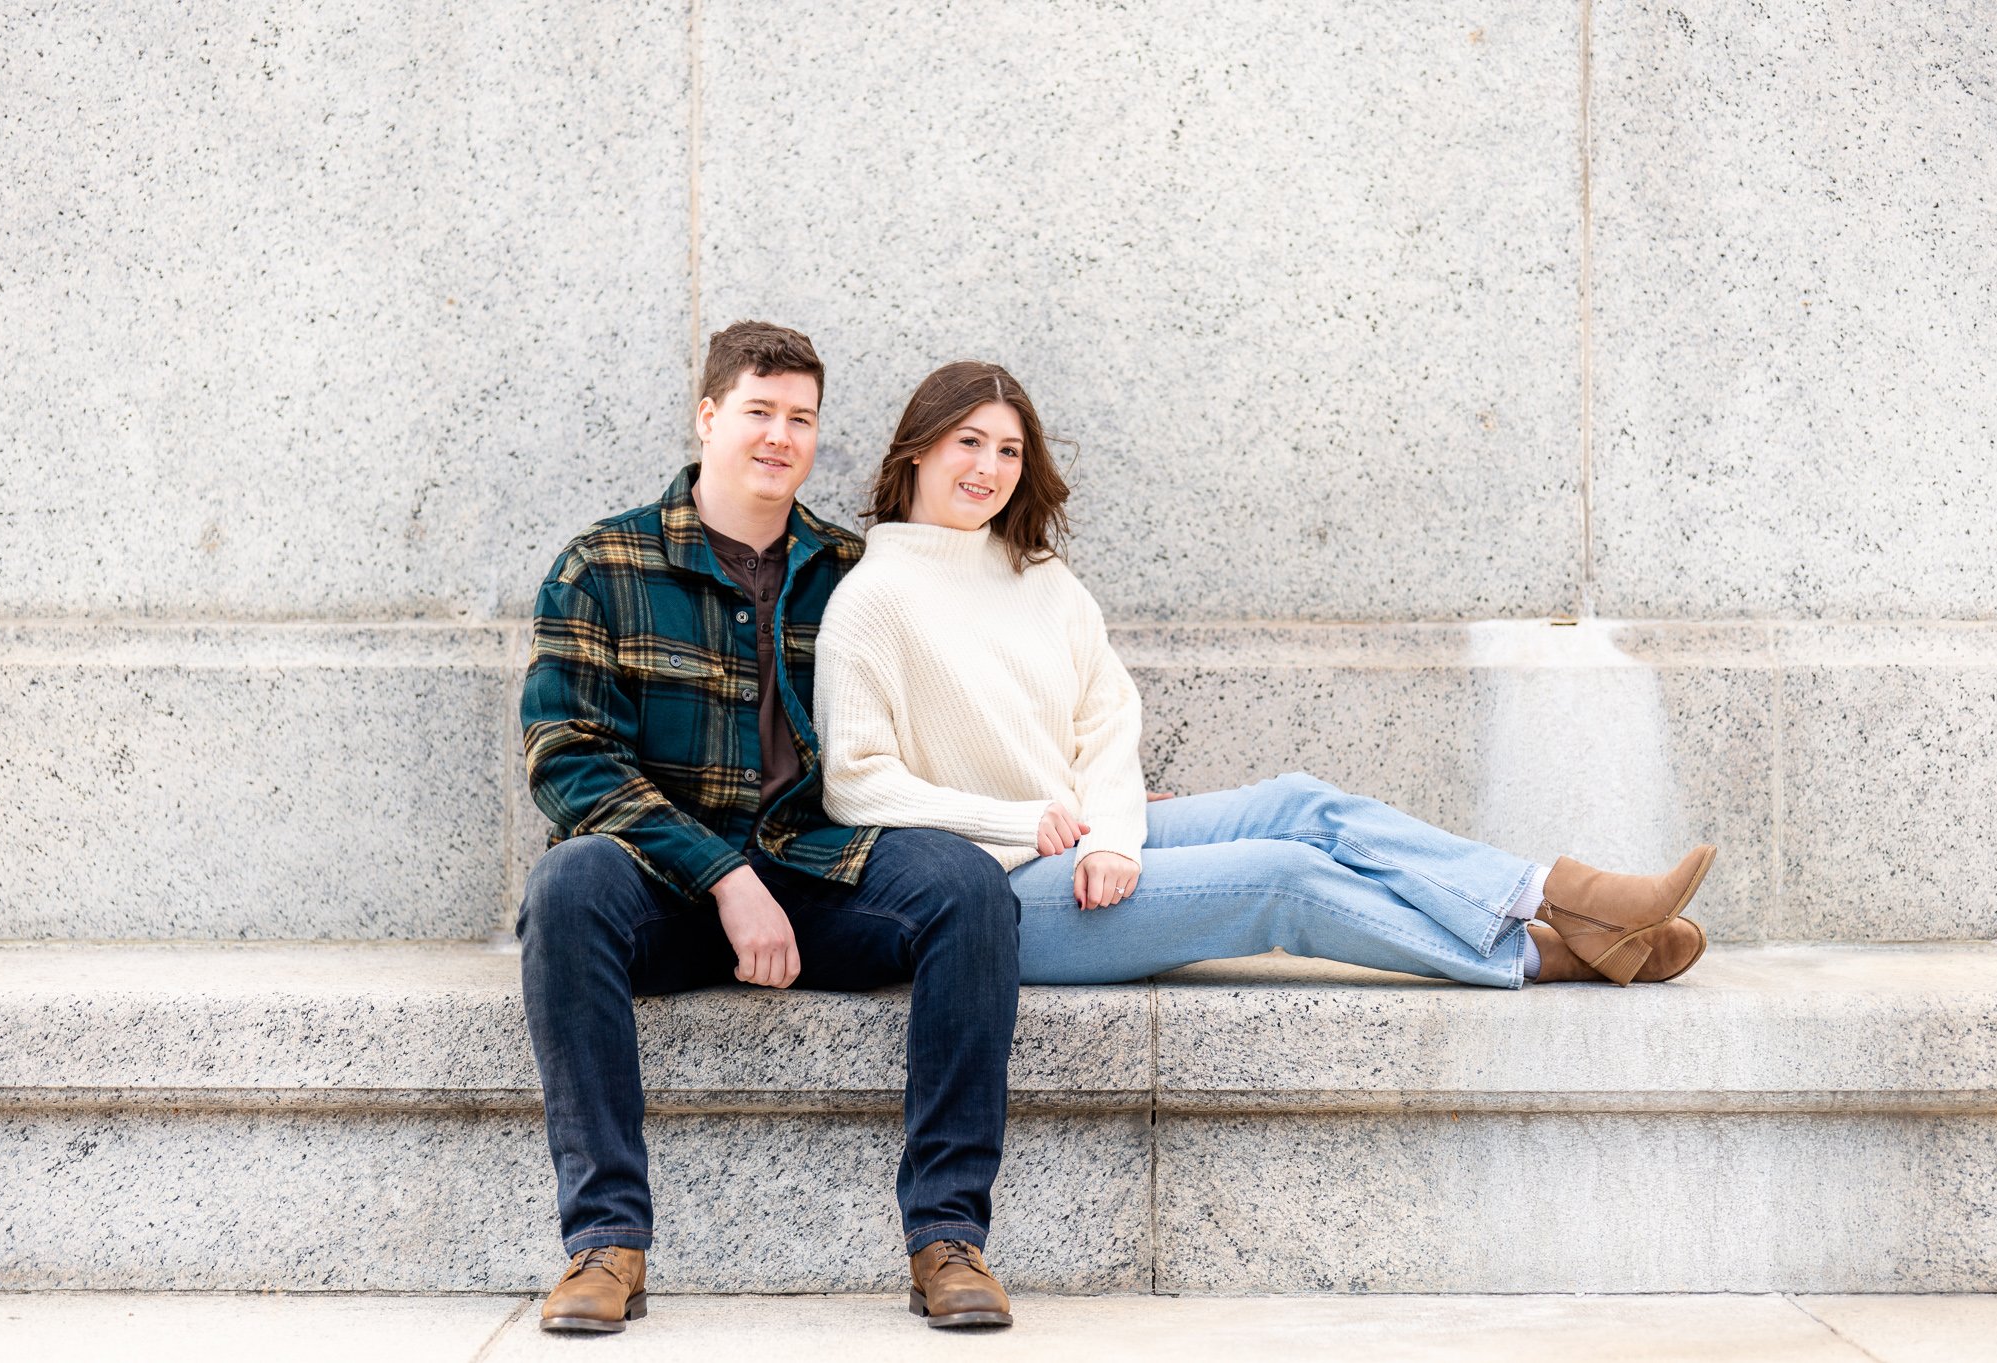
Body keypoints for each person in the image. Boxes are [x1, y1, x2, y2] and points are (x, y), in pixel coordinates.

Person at [814, 360, 1713, 993]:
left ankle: (1560, 894)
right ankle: (1545, 954)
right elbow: (856, 784)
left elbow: (1106, 722)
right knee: (1281, 875)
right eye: (969, 442)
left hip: (1092, 847)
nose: (989, 468)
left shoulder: (1038, 577)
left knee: (1303, 802)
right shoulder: (873, 598)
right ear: (918, 450)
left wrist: (1114, 834)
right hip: (1000, 892)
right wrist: (1024, 821)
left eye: (1009, 451)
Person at [518, 325, 1021, 1335]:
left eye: (800, 419)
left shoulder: (850, 569)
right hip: (658, 890)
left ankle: (947, 1236)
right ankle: (605, 1244)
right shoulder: (603, 563)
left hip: (814, 871)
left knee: (966, 888)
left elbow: (969, 700)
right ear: (708, 415)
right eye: (758, 411)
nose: (779, 436)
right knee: (566, 885)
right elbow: (565, 757)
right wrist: (719, 874)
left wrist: (1082, 807)